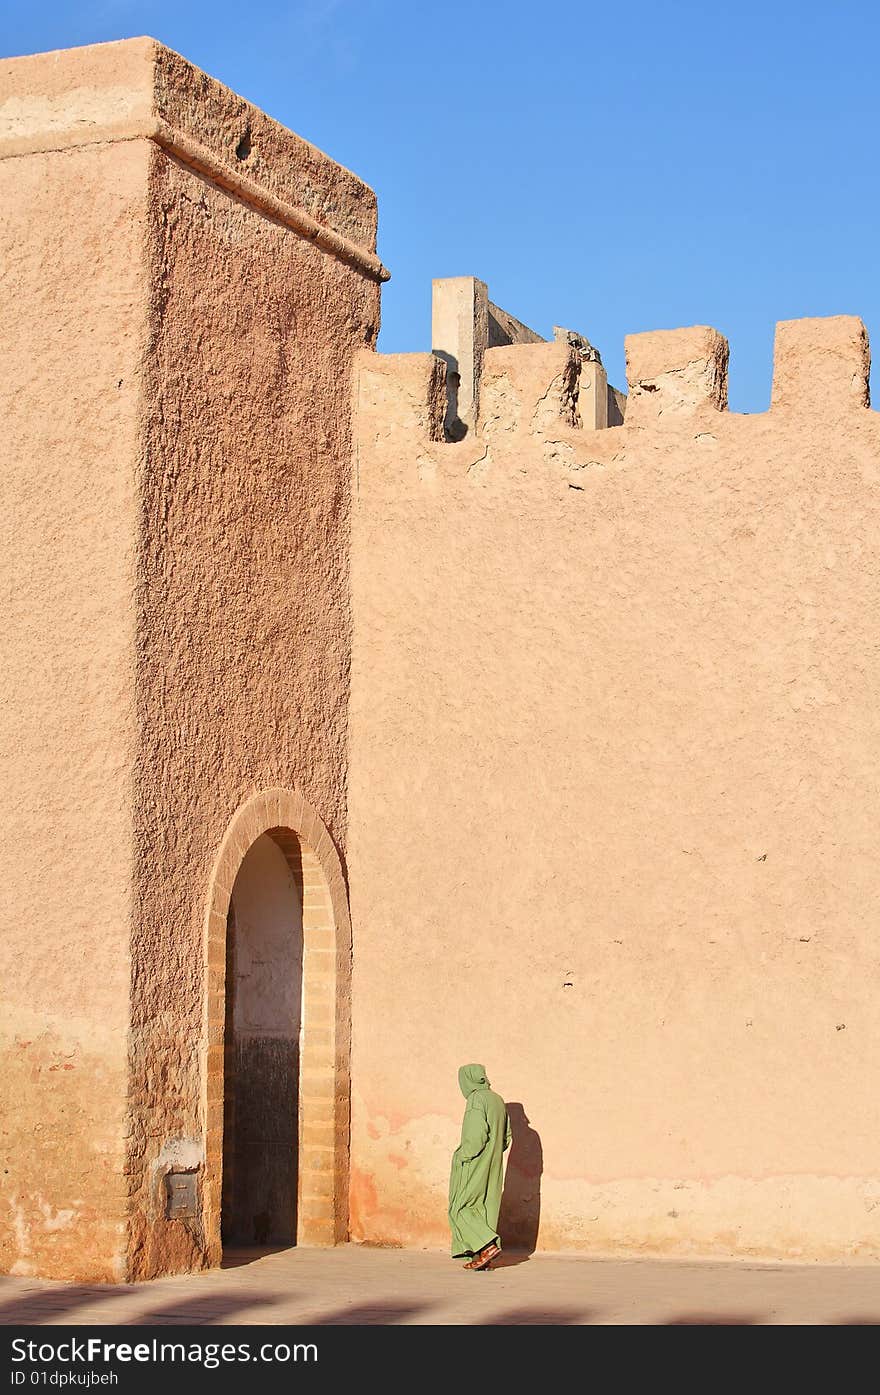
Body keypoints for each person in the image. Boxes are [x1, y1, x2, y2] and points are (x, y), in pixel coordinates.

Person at [448, 1063, 512, 1270]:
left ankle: (487, 1244)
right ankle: (482, 1255)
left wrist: (462, 1156)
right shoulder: (497, 1100)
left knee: (460, 1207)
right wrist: (493, 1152)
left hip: (475, 1160)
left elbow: (476, 1135)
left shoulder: (477, 1099)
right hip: (493, 1160)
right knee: (483, 1205)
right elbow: (506, 1138)